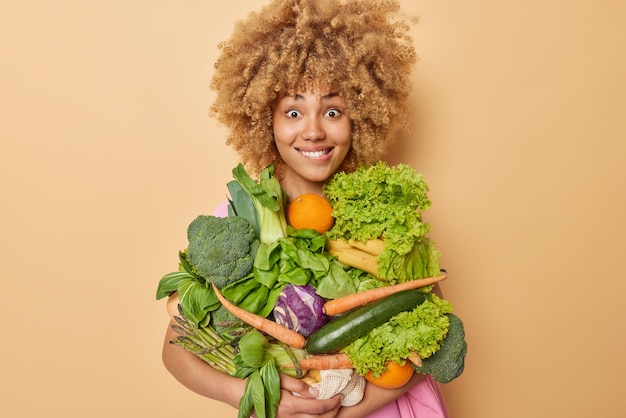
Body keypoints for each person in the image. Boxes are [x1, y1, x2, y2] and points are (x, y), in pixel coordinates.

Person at [162, 0, 449, 416]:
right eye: (293, 111)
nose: (313, 131)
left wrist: (348, 411)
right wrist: (240, 394)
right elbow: (174, 350)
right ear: (265, 120)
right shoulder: (240, 222)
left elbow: (437, 330)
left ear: (361, 117)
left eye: (333, 111)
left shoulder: (384, 210)